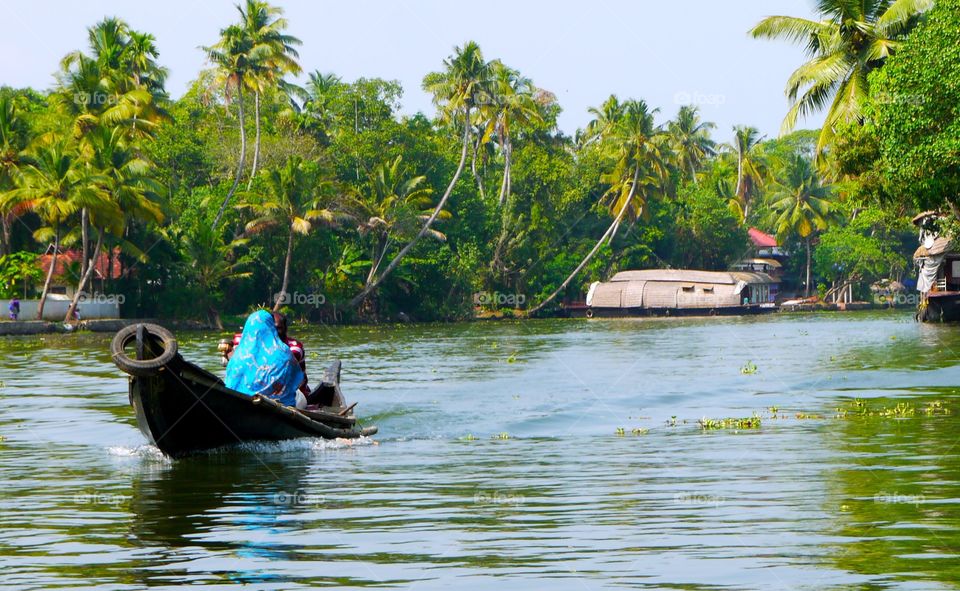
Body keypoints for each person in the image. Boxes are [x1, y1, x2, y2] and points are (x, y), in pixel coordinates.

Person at [225, 310, 305, 408]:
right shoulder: (284, 352)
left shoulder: (237, 355)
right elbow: (297, 379)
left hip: (240, 402)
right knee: (298, 396)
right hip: (280, 403)